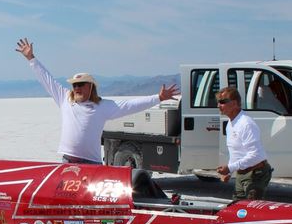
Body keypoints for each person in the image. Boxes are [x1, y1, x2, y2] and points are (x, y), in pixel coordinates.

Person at [16, 38, 179, 164]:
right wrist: (31, 58)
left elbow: (131, 105)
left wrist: (158, 98)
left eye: (80, 85)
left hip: (92, 163)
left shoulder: (103, 106)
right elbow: (47, 79)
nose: (76, 88)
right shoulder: (65, 98)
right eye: (74, 85)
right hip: (68, 162)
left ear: (90, 87)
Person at [215, 86, 272, 200]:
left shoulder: (245, 123)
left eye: (223, 102)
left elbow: (256, 155)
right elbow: (235, 152)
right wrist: (229, 173)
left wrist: (230, 168)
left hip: (255, 174)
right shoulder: (231, 123)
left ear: (235, 103)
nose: (219, 106)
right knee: (238, 209)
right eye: (218, 102)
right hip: (242, 174)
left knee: (250, 211)